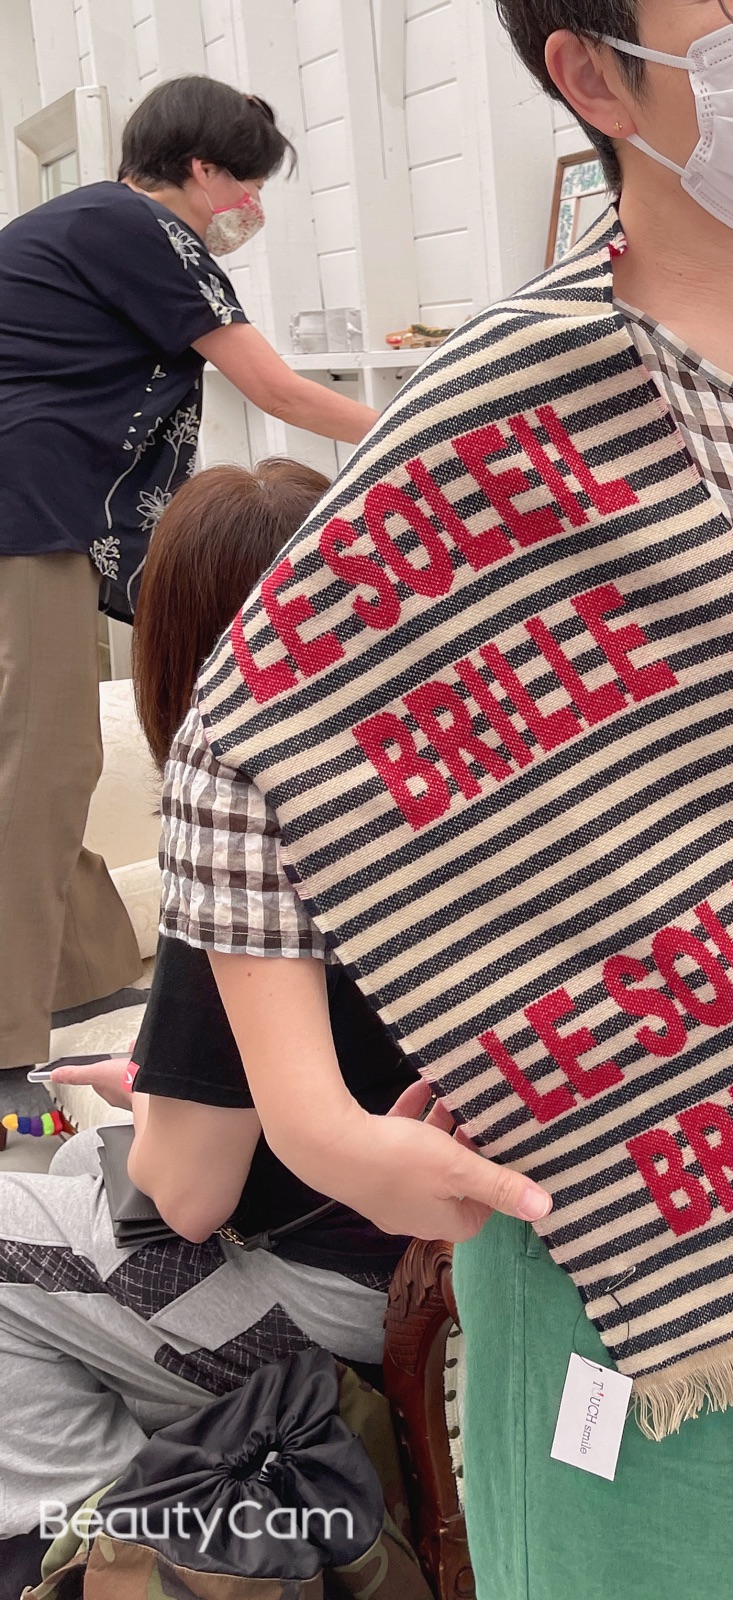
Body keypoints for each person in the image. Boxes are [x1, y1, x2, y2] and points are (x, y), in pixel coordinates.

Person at [163, 2, 733, 1596]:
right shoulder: (521, 393)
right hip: (625, 1209)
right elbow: (240, 744)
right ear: (593, 73)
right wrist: (317, 1125)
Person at [0, 462, 416, 1600]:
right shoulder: (427, 794)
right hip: (438, 1271)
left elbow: (189, 1198)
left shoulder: (233, 828)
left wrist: (157, 1105)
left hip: (336, 1307)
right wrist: (163, 1082)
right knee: (73, 1175)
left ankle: (109, 1546)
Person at [0, 76, 379, 1081]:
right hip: (26, 502)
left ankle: (78, 970)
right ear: (203, 168)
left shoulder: (82, 222)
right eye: (247, 183)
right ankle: (4, 1029)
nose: (249, 207)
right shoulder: (141, 227)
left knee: (40, 754)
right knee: (39, 760)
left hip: (36, 502)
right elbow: (275, 387)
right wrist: (426, 424)